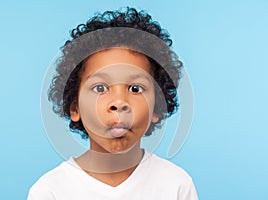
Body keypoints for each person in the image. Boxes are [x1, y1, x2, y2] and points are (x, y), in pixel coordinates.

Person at [28, 7, 198, 200]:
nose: (119, 103)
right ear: (75, 108)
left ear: (156, 108)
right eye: (100, 88)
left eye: (135, 88)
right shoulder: (50, 191)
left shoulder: (176, 185)